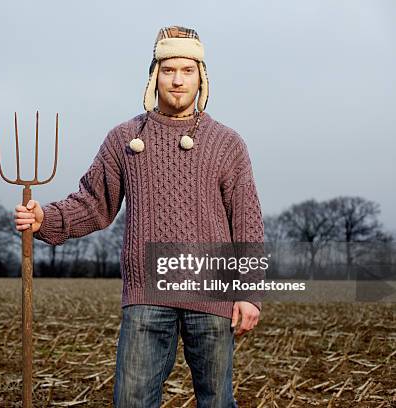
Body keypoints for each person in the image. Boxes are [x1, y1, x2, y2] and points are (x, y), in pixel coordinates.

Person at [14, 26, 264, 408]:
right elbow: (94, 203)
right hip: (147, 293)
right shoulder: (125, 138)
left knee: (217, 401)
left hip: (213, 295)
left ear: (202, 77)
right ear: (154, 75)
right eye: (168, 70)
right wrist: (44, 218)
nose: (177, 80)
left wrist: (249, 293)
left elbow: (247, 221)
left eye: (187, 70)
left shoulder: (227, 142)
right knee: (131, 400)